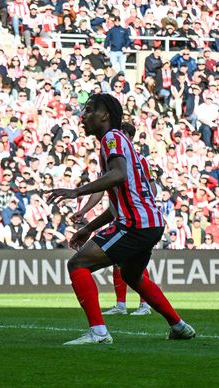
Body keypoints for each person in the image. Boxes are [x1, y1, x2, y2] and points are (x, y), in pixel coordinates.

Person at [47, 94, 195, 345]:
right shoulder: (122, 142)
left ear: (104, 115)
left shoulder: (111, 139)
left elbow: (118, 175)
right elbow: (119, 199)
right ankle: (179, 326)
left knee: (78, 264)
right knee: (132, 276)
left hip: (134, 224)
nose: (83, 116)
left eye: (90, 110)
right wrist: (89, 228)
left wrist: (76, 192)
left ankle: (98, 333)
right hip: (151, 222)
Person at [71, 121, 151, 316]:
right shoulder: (110, 160)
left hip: (137, 217)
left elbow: (151, 188)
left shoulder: (139, 160)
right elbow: (101, 189)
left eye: (123, 134)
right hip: (121, 215)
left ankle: (144, 304)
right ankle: (121, 305)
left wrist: (142, 205)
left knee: (134, 261)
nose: (118, 138)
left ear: (129, 138)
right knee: (119, 261)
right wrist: (85, 210)